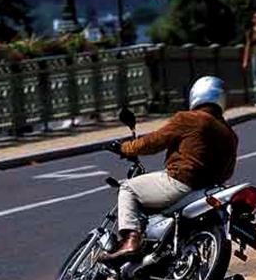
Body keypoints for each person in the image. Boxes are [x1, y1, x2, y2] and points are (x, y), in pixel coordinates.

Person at [99, 76, 239, 263]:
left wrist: (125, 148)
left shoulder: (189, 119)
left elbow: (154, 141)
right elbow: (228, 171)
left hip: (179, 183)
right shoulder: (229, 134)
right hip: (204, 190)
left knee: (128, 188)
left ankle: (131, 241)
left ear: (196, 96)